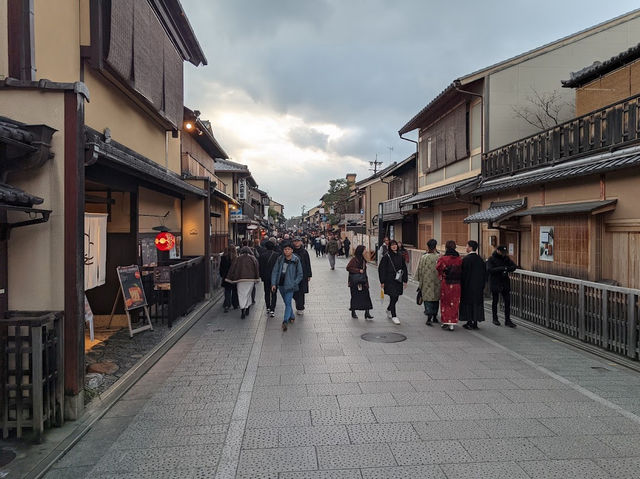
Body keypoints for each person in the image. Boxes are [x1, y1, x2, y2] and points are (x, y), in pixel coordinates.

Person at [271, 241, 303, 331]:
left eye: (289, 249)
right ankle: (292, 316)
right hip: (281, 284)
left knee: (288, 302)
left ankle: (285, 321)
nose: (287, 251)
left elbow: (300, 274)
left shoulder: (296, 260)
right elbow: (275, 271)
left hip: (290, 285)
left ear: (292, 250)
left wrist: (294, 283)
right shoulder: (280, 259)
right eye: (285, 249)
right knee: (287, 302)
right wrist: (273, 283)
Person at [378, 239, 408, 325]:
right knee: (393, 296)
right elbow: (381, 269)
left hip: (398, 279)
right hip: (389, 280)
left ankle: (389, 309)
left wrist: (405, 280)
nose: (394, 246)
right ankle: (394, 316)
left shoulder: (400, 256)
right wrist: (382, 281)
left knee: (396, 297)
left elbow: (404, 268)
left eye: (395, 245)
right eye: (392, 245)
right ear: (389, 247)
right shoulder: (386, 256)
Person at [487, 245, 517, 327]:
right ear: (497, 251)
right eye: (502, 252)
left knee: (507, 301)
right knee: (495, 301)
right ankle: (495, 318)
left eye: (504, 252)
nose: (503, 254)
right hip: (495, 282)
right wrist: (502, 268)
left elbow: (514, 266)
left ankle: (507, 320)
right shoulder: (491, 259)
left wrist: (506, 269)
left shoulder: (506, 258)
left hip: (505, 282)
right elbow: (490, 270)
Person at [226, 246, 260, 319]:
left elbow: (232, 268)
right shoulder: (253, 258)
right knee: (248, 294)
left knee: (241, 294)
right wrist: (257, 278)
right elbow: (256, 268)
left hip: (240, 279)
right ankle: (247, 307)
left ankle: (242, 310)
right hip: (250, 279)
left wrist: (229, 278)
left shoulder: (238, 259)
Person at [436, 240, 463, 331]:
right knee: (454, 302)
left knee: (446, 302)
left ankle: (446, 321)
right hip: (457, 284)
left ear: (446, 248)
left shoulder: (443, 258)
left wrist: (441, 274)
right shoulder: (459, 259)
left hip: (446, 283)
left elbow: (438, 268)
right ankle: (452, 323)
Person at [460, 240, 486, 330]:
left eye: (467, 246)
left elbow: (463, 274)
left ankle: (469, 322)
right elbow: (484, 274)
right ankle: (475, 323)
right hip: (478, 286)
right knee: (477, 304)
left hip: (468, 286)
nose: (466, 247)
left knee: (468, 304)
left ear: (471, 247)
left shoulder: (466, 260)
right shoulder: (480, 260)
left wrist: (462, 284)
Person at [414, 239, 440, 326]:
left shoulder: (424, 257)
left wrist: (420, 283)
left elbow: (420, 270)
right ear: (435, 246)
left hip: (426, 282)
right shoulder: (439, 257)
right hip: (437, 282)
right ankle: (435, 316)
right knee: (436, 299)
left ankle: (429, 317)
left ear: (428, 246)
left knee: (428, 299)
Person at [346, 245, 374, 320]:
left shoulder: (363, 260)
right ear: (360, 251)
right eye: (364, 250)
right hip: (355, 282)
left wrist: (367, 282)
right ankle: (353, 311)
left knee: (366, 296)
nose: (366, 251)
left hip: (363, 281)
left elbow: (365, 272)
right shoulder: (354, 259)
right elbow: (348, 268)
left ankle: (367, 313)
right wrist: (358, 270)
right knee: (355, 296)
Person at [258, 241, 280, 317]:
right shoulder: (277, 255)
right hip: (274, 277)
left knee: (267, 292)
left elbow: (260, 267)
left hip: (266, 277)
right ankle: (272, 309)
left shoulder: (262, 255)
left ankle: (268, 307)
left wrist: (261, 276)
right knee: (274, 293)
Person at [292, 236, 312, 315]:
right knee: (294, 291)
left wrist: (309, 274)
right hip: (293, 274)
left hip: (303, 274)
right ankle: (298, 303)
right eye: (295, 241)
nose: (296, 242)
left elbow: (308, 263)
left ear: (301, 242)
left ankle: (300, 307)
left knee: (301, 291)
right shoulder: (291, 251)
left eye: (298, 241)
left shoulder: (304, 252)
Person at [220, 245, 239, 313]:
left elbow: (221, 268)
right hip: (234, 277)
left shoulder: (224, 258)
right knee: (234, 291)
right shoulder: (236, 258)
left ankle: (227, 305)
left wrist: (222, 275)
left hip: (226, 277)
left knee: (227, 291)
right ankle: (235, 304)